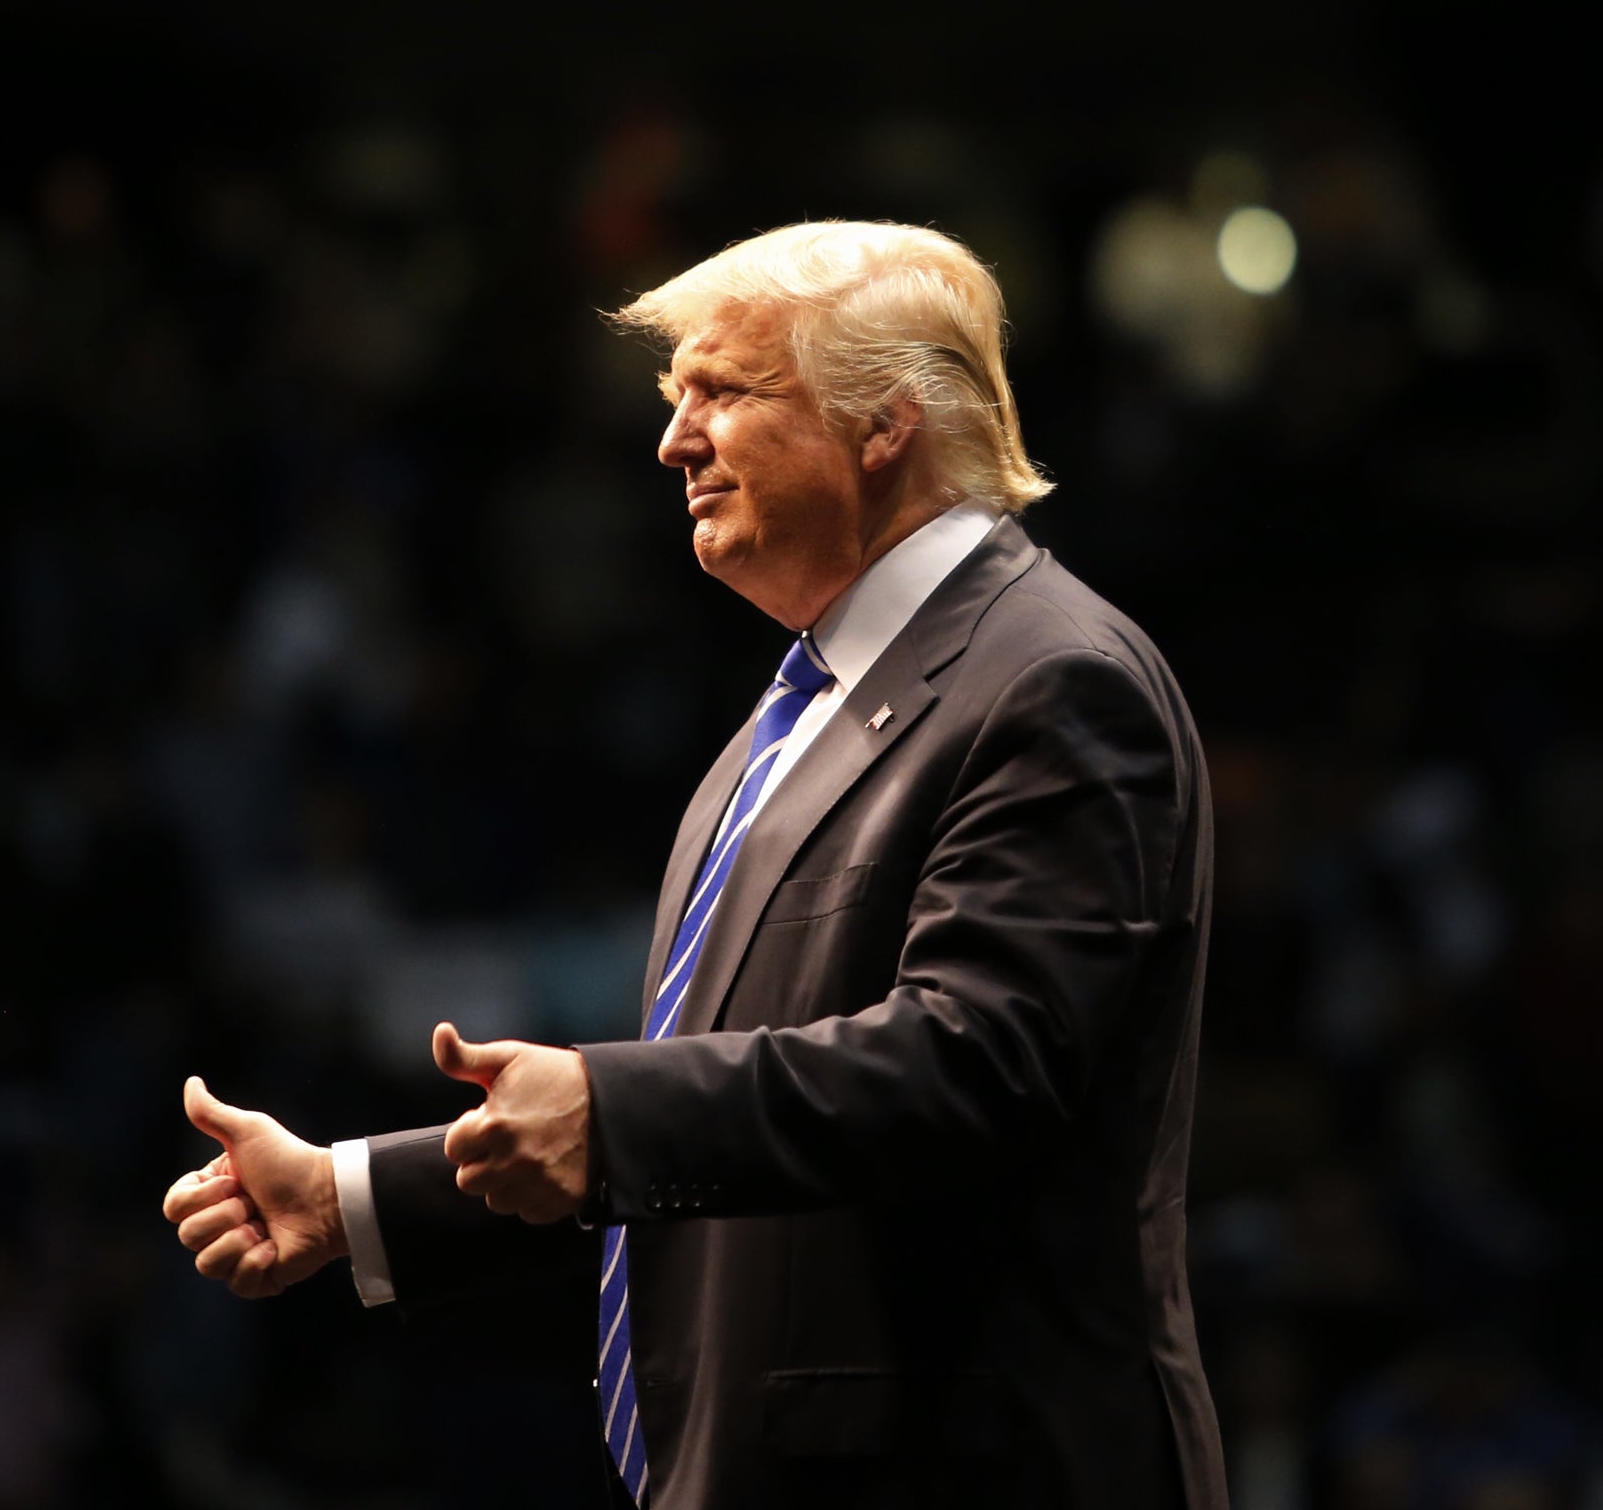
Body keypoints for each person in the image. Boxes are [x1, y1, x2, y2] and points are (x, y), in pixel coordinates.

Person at [162, 221, 1228, 1510]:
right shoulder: (797, 714)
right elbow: (716, 1130)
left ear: (885, 423)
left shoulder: (1051, 679)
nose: (673, 440)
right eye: (677, 399)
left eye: (721, 392)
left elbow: (981, 1062)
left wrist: (606, 1116)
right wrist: (357, 1195)